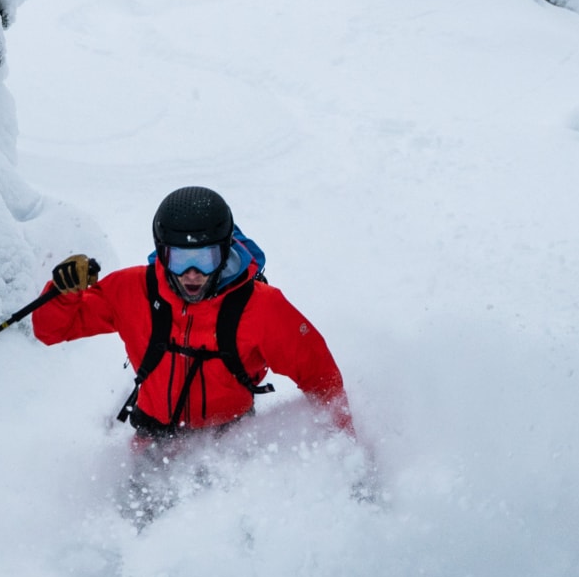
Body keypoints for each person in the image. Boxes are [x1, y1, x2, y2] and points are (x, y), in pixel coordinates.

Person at [32, 186, 355, 445]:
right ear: (161, 252)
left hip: (232, 439)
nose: (192, 274)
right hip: (153, 436)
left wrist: (345, 449)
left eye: (205, 258)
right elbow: (52, 331)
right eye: (179, 259)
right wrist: (63, 294)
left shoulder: (262, 308)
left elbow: (320, 377)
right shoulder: (133, 290)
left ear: (225, 252)